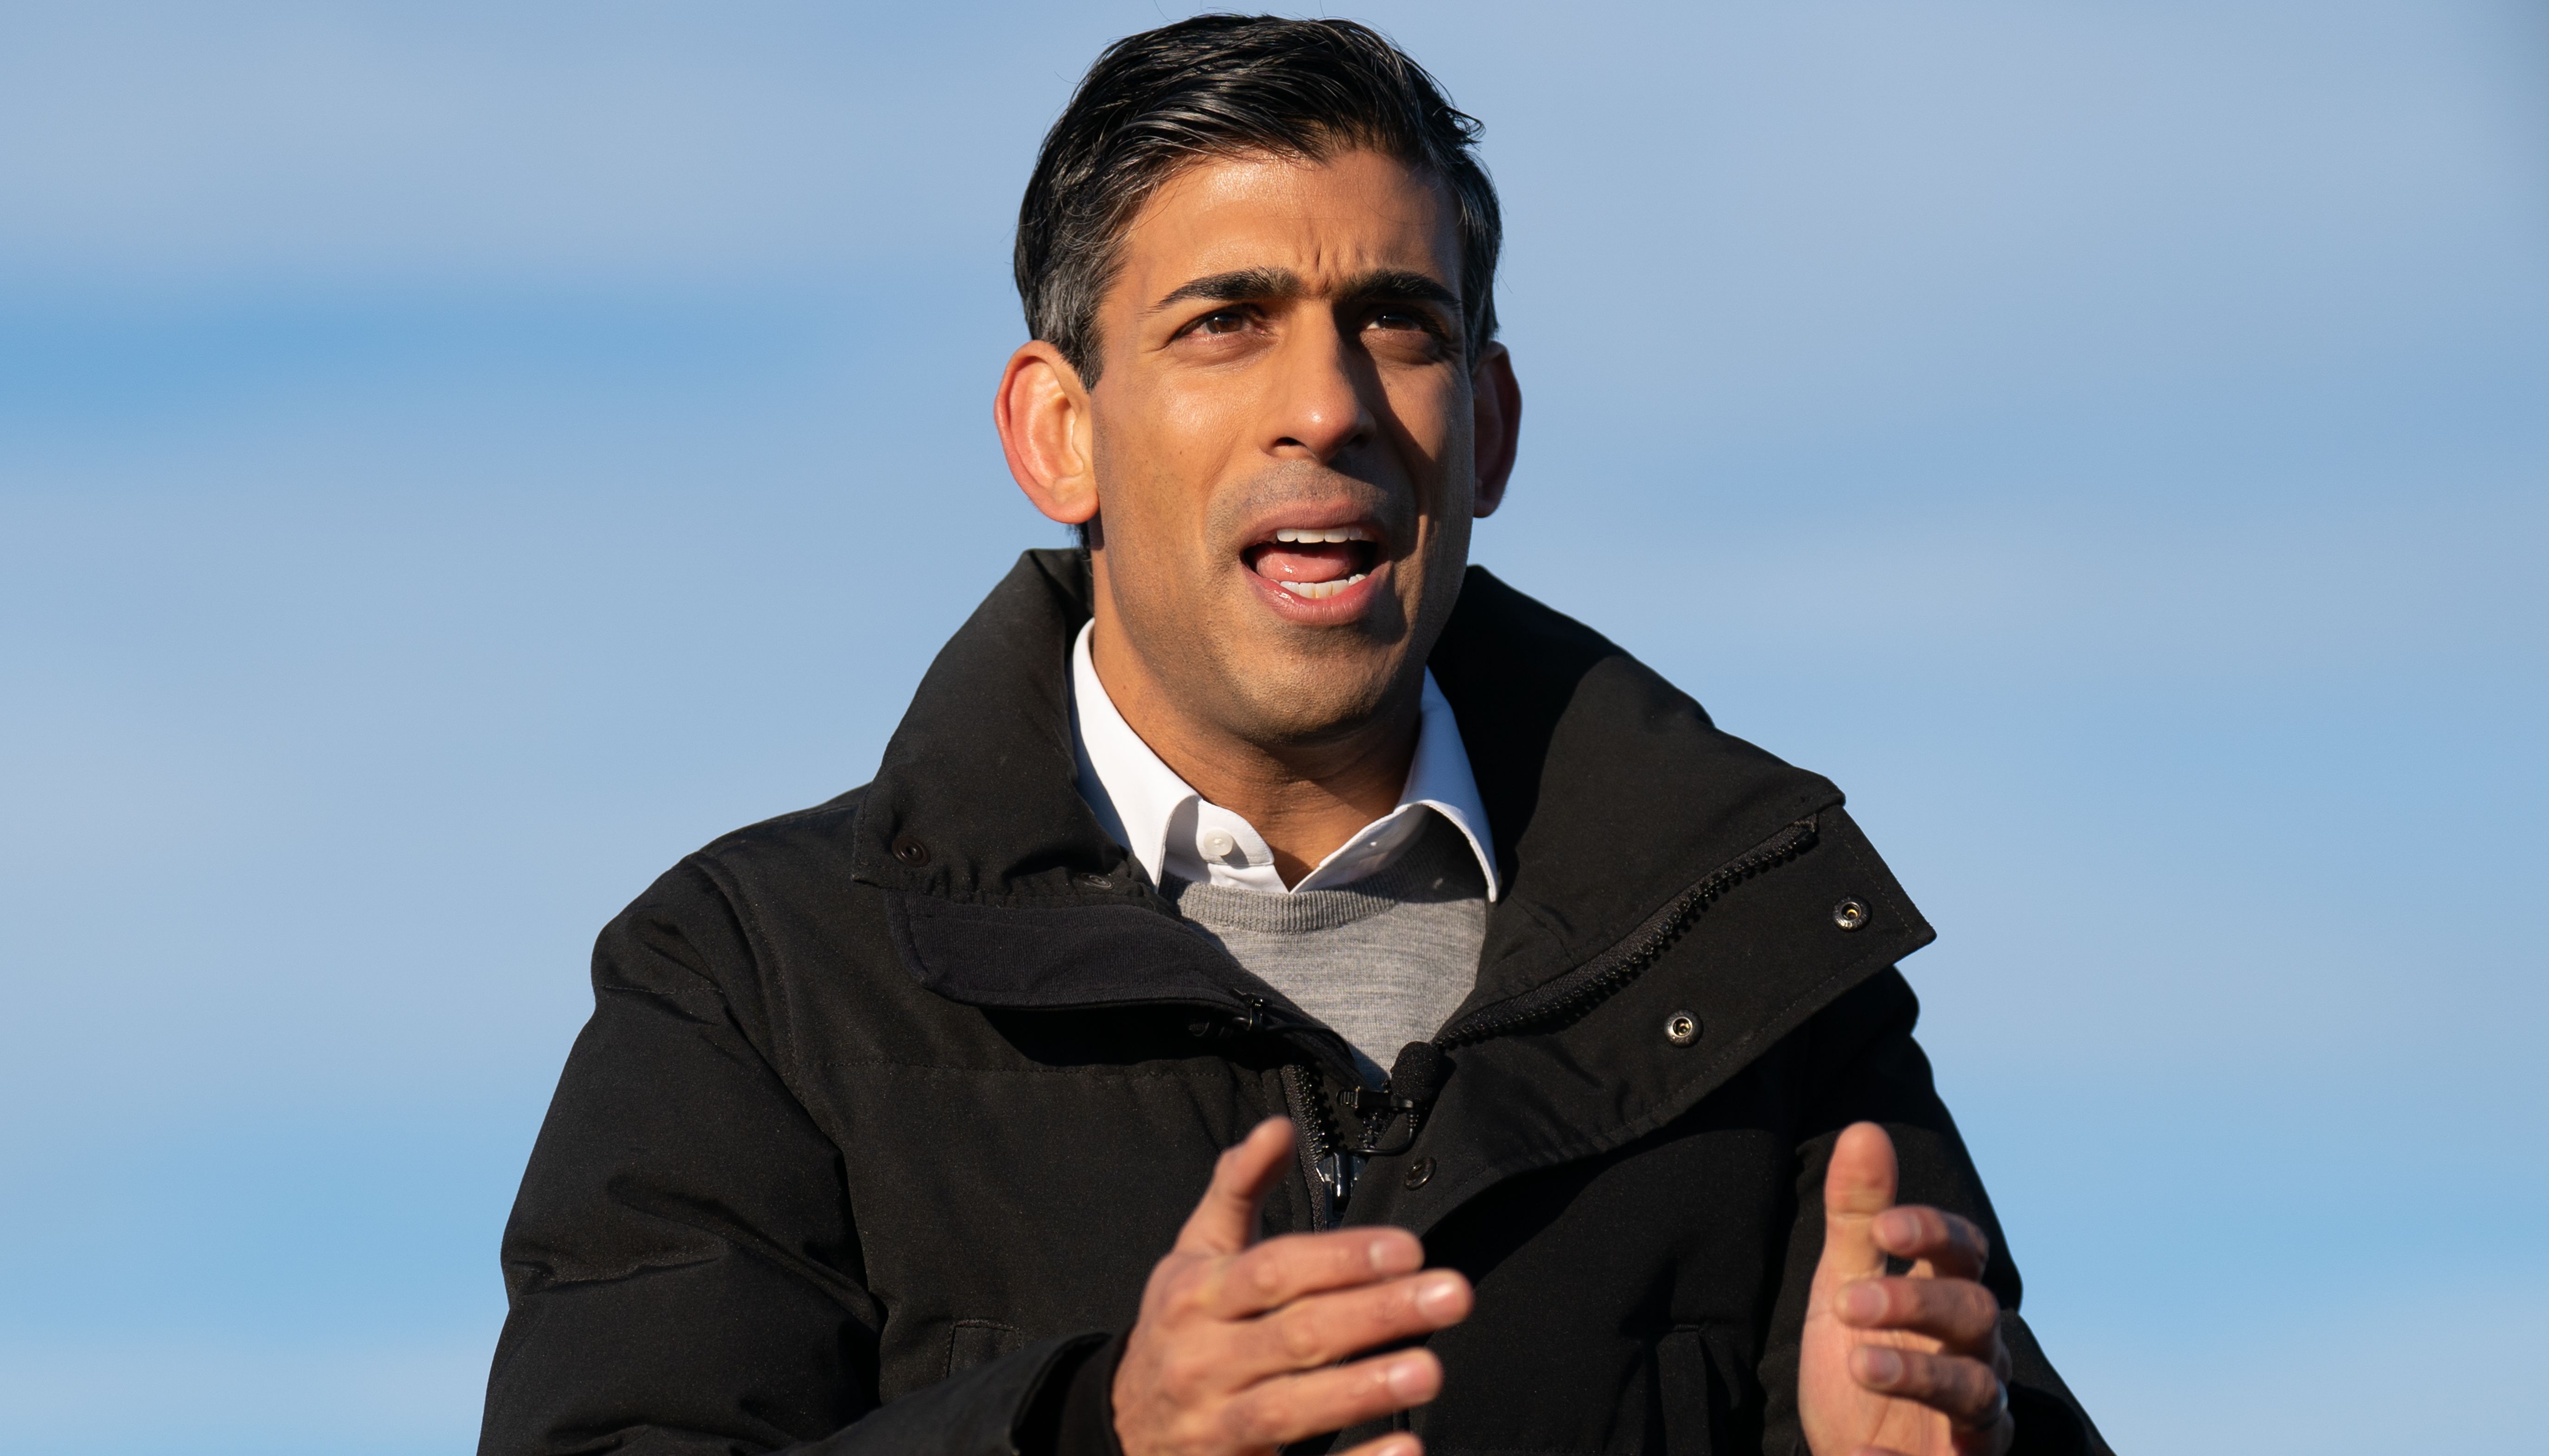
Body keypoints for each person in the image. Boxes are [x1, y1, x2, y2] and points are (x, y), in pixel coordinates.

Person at [478, 17, 2108, 1456]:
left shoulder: (1754, 968)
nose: (1325, 405)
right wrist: (1098, 1435)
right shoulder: (753, 982)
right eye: (1225, 322)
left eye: (1396, 323)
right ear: (1060, 433)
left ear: (1487, 427)